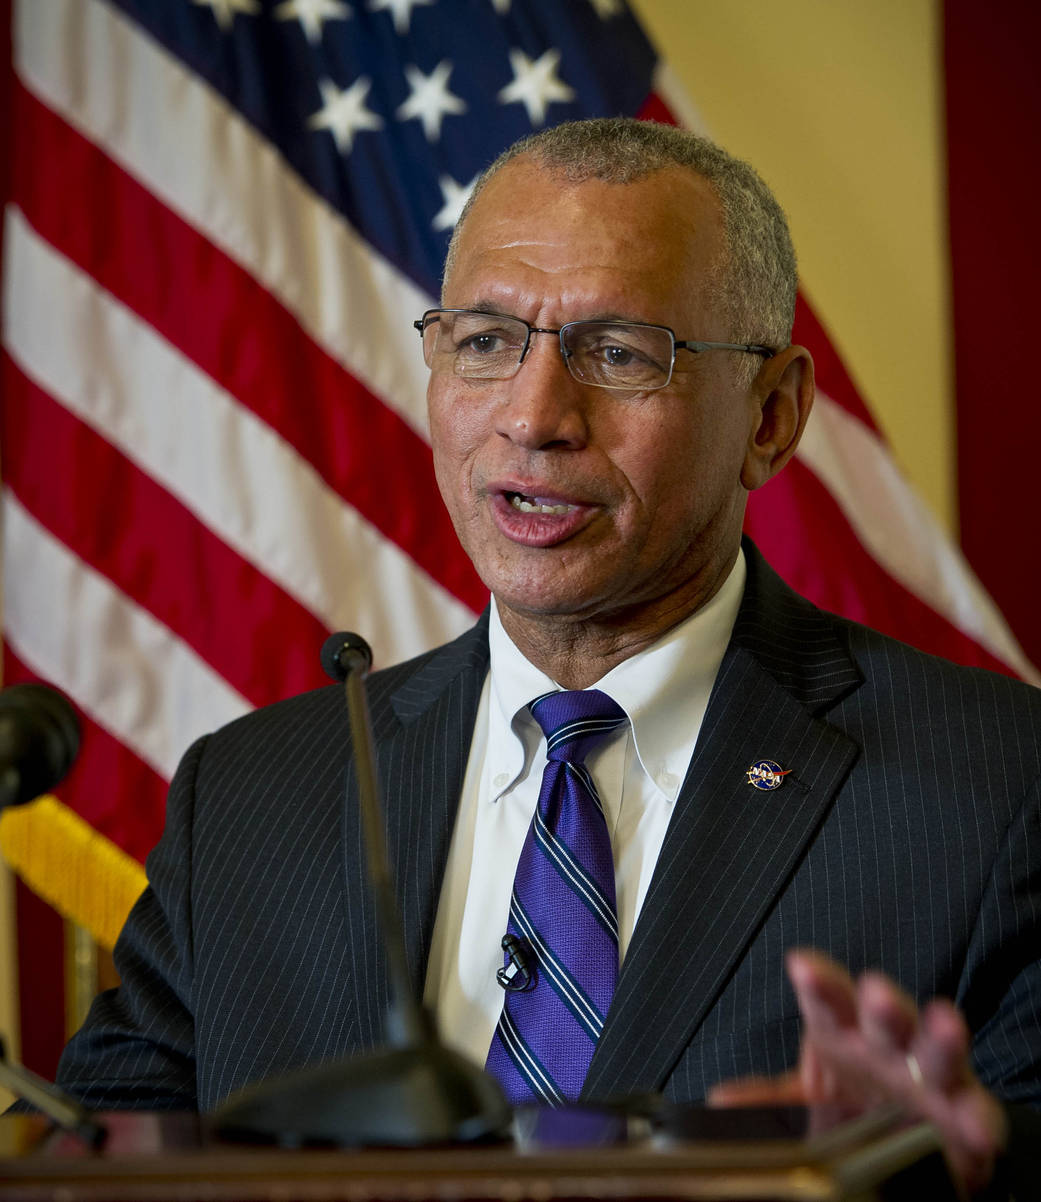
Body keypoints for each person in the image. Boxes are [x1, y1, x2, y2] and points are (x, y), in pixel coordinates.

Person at [53, 119, 1039, 1197]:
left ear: (772, 414)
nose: (532, 416)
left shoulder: (995, 789)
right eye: (484, 341)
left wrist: (923, 1179)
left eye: (618, 353)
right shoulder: (251, 796)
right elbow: (90, 1162)